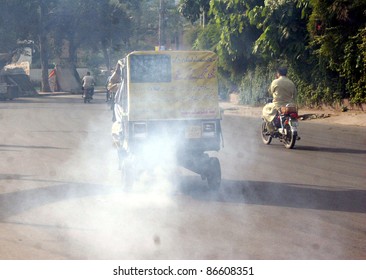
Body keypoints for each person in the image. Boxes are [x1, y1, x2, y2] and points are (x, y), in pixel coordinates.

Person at [262, 67, 297, 132]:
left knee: (265, 110)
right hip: (290, 106)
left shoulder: (275, 82)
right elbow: (295, 95)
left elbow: (270, 91)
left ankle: (271, 129)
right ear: (286, 74)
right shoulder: (291, 83)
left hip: (278, 105)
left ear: (278, 73)